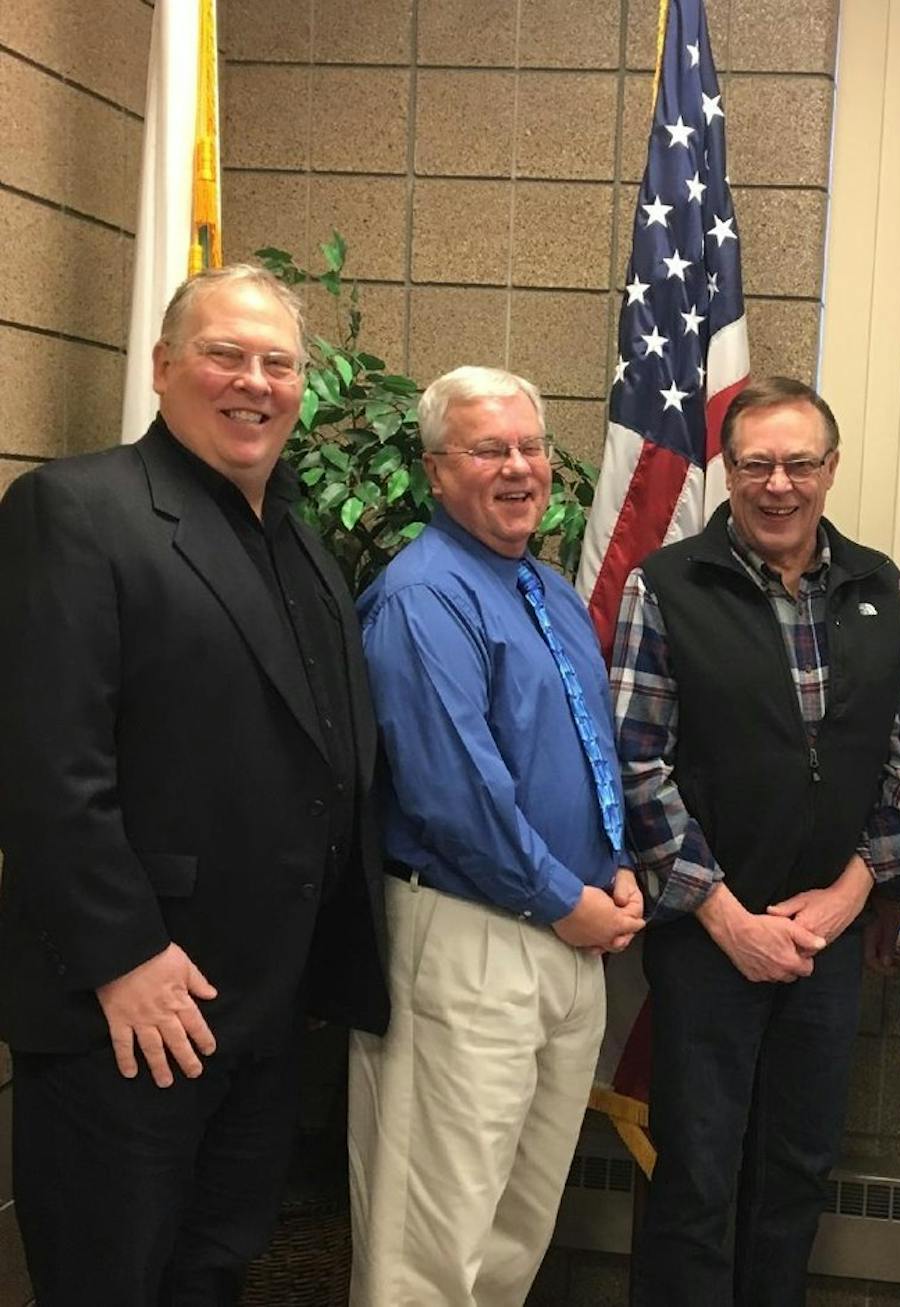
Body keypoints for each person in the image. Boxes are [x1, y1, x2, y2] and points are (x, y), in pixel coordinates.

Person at [0, 265, 390, 1306]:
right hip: (126, 1008)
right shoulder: (75, 510)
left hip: (255, 1010)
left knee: (209, 1273)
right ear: (166, 366)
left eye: (278, 361)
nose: (252, 381)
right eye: (225, 353)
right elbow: (46, 765)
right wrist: (123, 954)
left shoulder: (299, 538)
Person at [611, 376, 900, 1306]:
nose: (778, 483)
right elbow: (636, 764)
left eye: (799, 463)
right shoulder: (666, 586)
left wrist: (853, 890)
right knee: (697, 1177)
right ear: (728, 473)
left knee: (795, 1171)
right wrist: (725, 914)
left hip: (825, 937)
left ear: (831, 469)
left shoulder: (881, 587)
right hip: (709, 939)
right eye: (756, 464)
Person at [346, 365, 644, 1307]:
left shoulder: (548, 590)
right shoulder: (423, 596)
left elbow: (591, 753)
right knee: (428, 1240)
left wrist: (620, 866)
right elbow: (453, 794)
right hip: (471, 937)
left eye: (530, 447)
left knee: (517, 1226)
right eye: (489, 450)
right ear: (435, 471)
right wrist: (570, 900)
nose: (519, 468)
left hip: (568, 935)